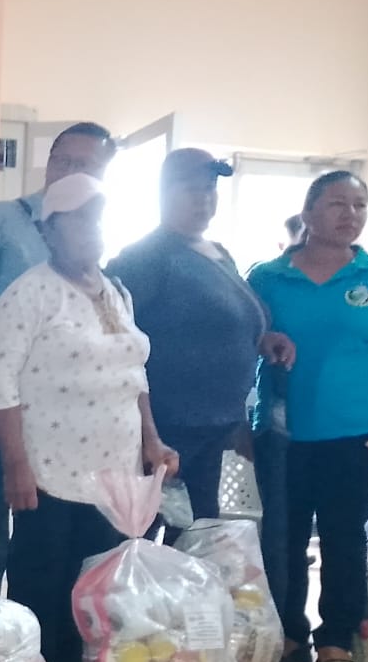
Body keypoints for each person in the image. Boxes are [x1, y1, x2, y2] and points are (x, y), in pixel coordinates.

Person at [0, 173, 177, 662]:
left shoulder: (115, 292)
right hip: (50, 468)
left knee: (99, 580)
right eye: (80, 218)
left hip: (115, 470)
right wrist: (15, 465)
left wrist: (153, 442)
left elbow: (134, 374)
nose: (93, 228)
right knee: (45, 575)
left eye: (99, 217)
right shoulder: (29, 294)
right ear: (49, 230)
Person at [0, 121, 116, 592]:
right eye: (62, 161)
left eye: (84, 165)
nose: (69, 171)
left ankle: (37, 623)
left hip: (66, 396)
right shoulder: (7, 218)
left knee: (50, 511)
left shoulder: (101, 232)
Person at [247, 171, 368, 662]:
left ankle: (335, 638)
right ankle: (287, 632)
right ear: (307, 213)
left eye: (359, 205)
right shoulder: (267, 277)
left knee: (344, 537)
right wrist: (264, 340)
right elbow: (244, 338)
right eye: (337, 203)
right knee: (282, 538)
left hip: (356, 431)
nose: (350, 214)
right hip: (282, 433)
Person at [106, 148, 286, 524]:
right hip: (166, 428)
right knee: (146, 530)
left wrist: (261, 338)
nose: (204, 199)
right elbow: (117, 340)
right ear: (164, 192)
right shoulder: (145, 257)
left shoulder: (217, 252)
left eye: (209, 189)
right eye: (191, 189)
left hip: (213, 426)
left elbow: (224, 321)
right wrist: (148, 432)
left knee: (198, 531)